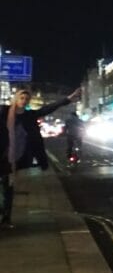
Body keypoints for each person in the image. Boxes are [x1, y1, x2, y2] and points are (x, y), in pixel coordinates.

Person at [0, 87, 82, 229]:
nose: (24, 101)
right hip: (2, 153)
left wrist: (68, 98)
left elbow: (48, 108)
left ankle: (6, 218)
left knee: (7, 187)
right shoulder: (4, 111)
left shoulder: (30, 115)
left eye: (26, 99)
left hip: (15, 157)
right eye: (21, 98)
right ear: (16, 98)